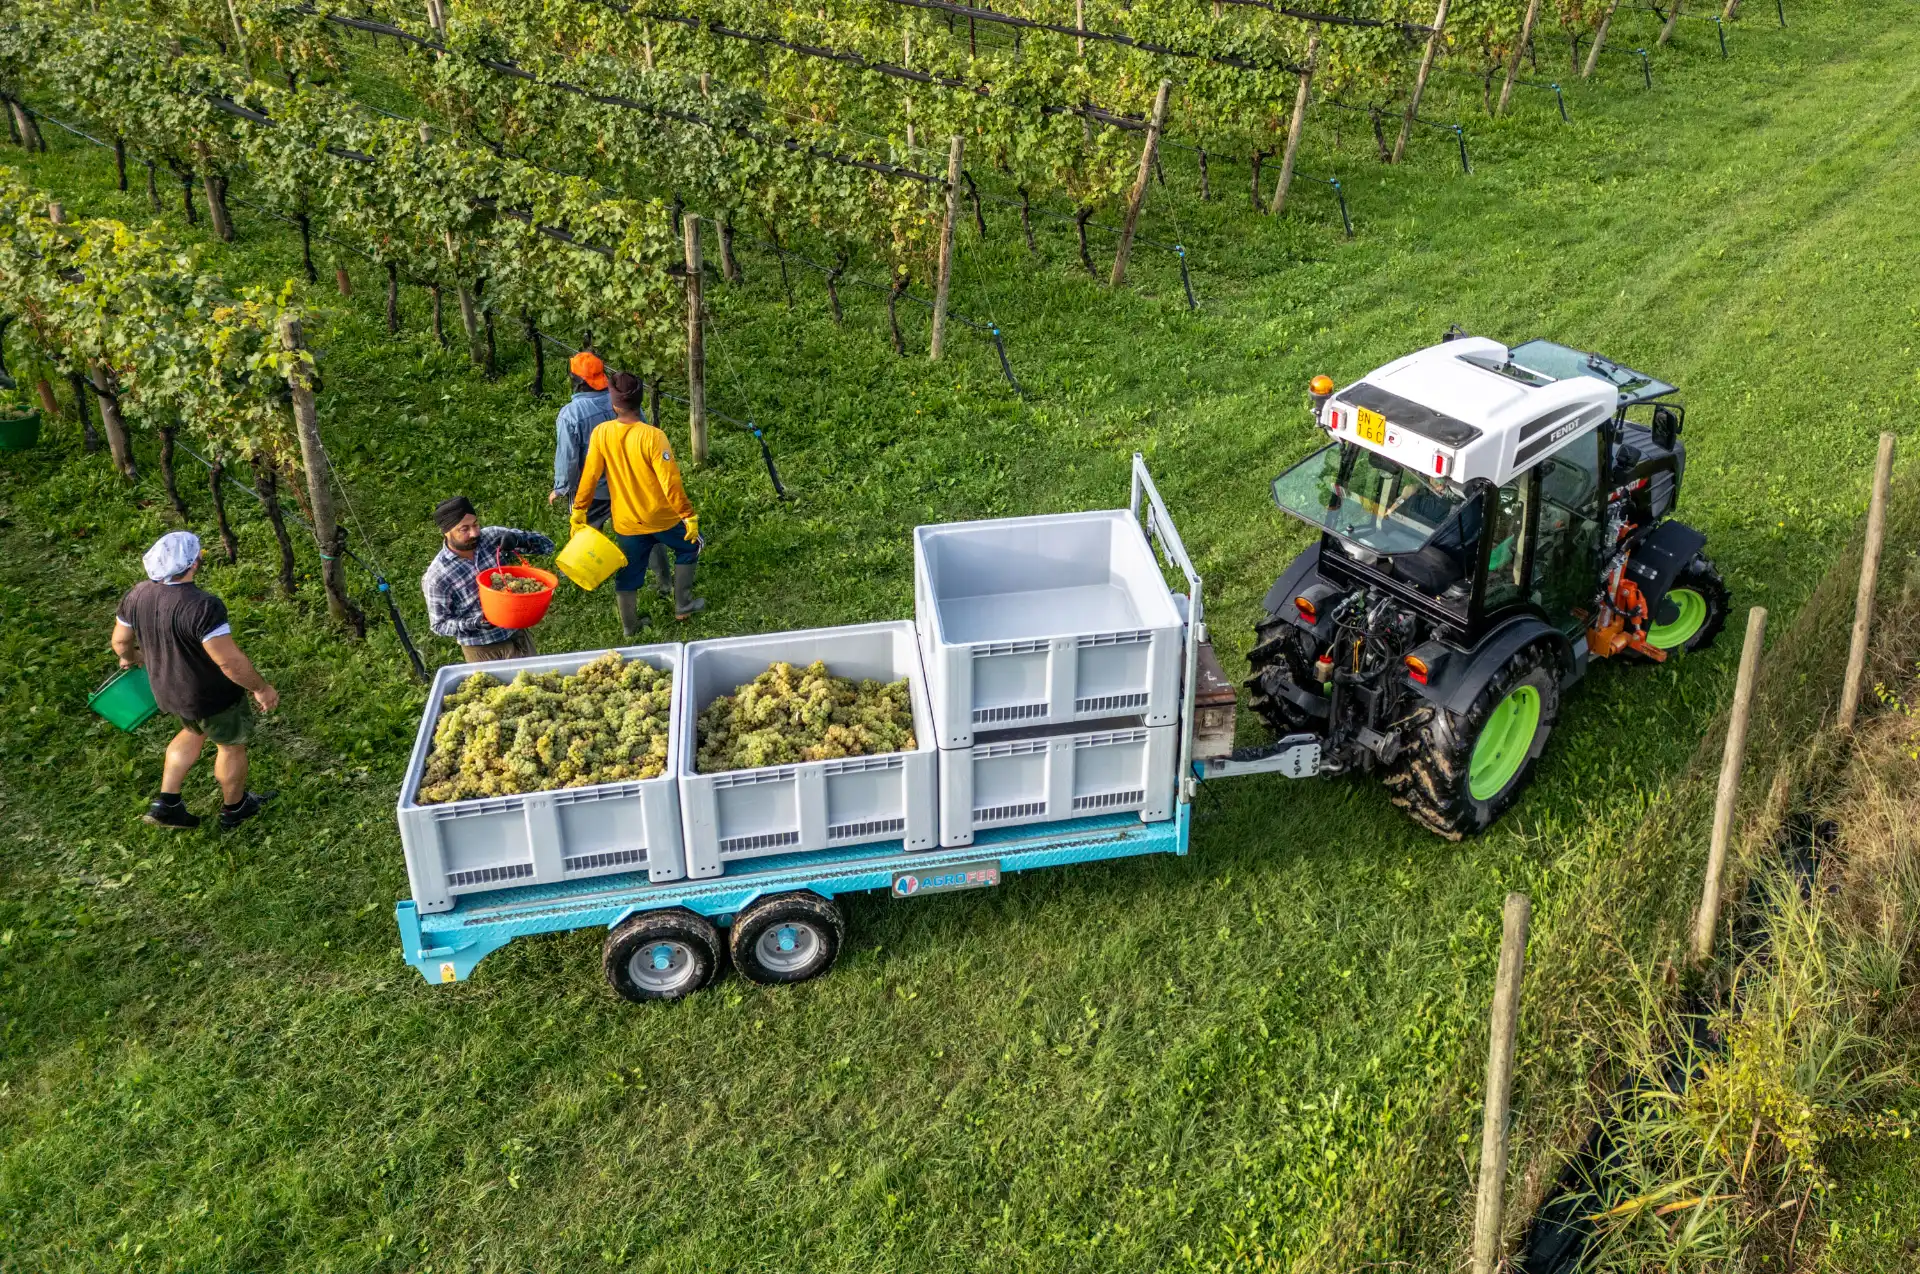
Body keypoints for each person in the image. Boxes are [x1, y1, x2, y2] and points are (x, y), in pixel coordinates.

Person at [110, 531, 279, 831]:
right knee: (230, 746)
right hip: (210, 696)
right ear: (194, 564)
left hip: (167, 690)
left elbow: (121, 642)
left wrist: (132, 657)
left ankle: (167, 804)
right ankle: (236, 809)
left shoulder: (137, 595)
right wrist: (261, 688)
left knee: (192, 731)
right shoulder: (203, 606)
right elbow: (228, 662)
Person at [572, 371, 706, 635]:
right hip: (661, 517)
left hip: (627, 521)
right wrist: (688, 515)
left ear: (614, 404)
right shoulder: (653, 436)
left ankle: (630, 627)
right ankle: (683, 604)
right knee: (690, 546)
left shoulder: (601, 433)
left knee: (629, 571)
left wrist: (579, 510)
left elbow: (589, 476)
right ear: (640, 400)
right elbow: (670, 482)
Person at [422, 496, 556, 662]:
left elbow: (547, 546)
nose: (474, 533)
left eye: (475, 524)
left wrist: (520, 540)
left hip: (517, 634)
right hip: (481, 648)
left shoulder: (492, 537)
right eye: (464, 529)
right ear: (446, 532)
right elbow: (439, 625)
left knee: (534, 676)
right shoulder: (438, 576)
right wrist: (475, 623)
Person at [549, 351, 615, 529]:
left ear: (577, 381)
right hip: (625, 483)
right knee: (632, 532)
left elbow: (568, 457)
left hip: (592, 490)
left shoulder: (571, 414)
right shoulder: (622, 400)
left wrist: (561, 487)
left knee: (585, 534)